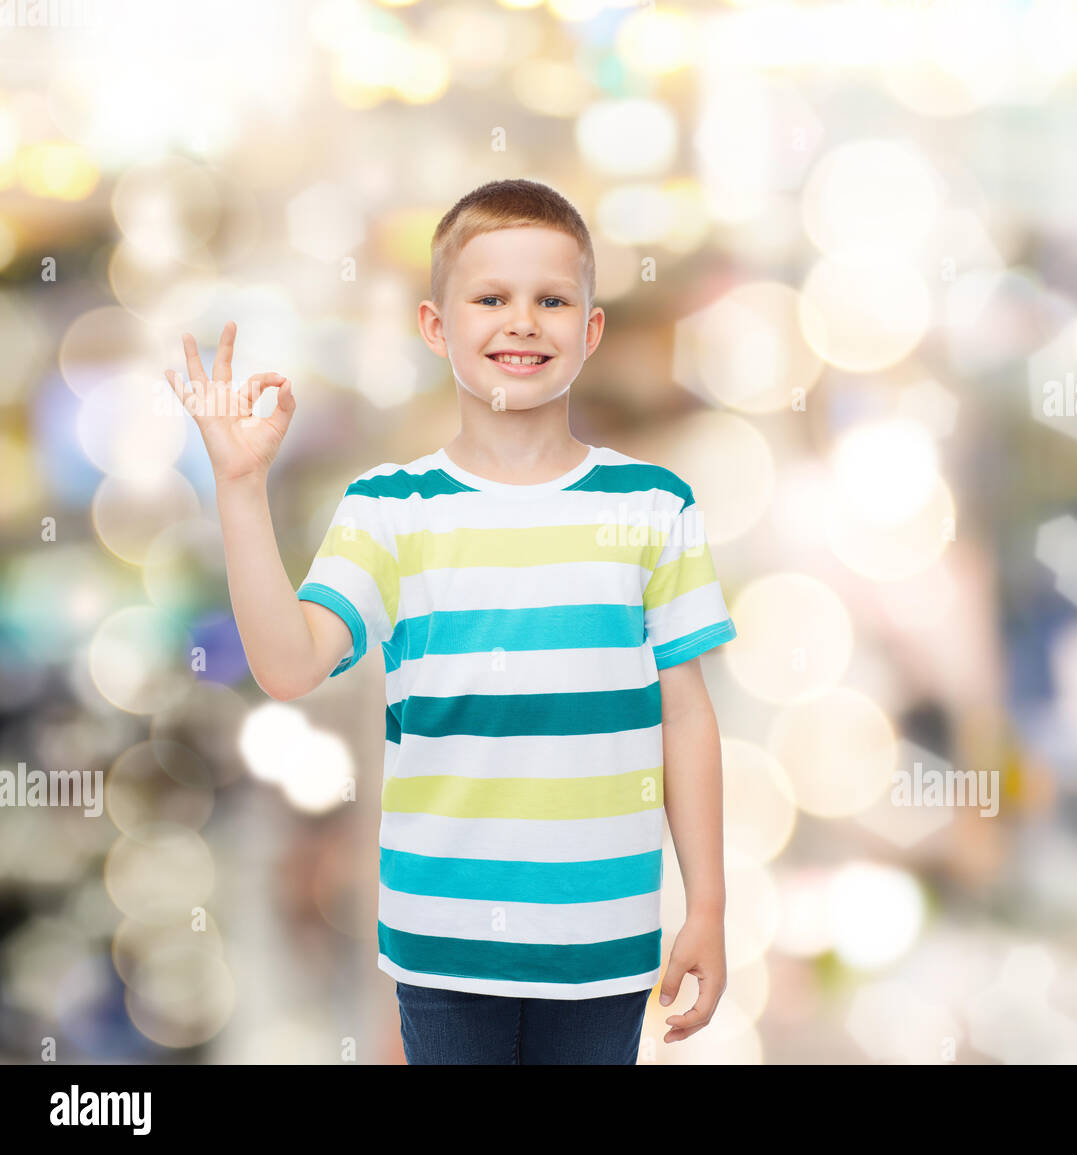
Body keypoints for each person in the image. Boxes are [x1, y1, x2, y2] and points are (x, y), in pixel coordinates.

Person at [164, 178, 737, 1065]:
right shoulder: (388, 510)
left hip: (605, 944)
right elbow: (288, 666)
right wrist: (241, 491)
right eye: (490, 298)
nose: (522, 322)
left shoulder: (654, 507)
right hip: (443, 947)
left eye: (551, 300)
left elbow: (687, 716)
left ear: (590, 331)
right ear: (437, 327)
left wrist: (708, 904)